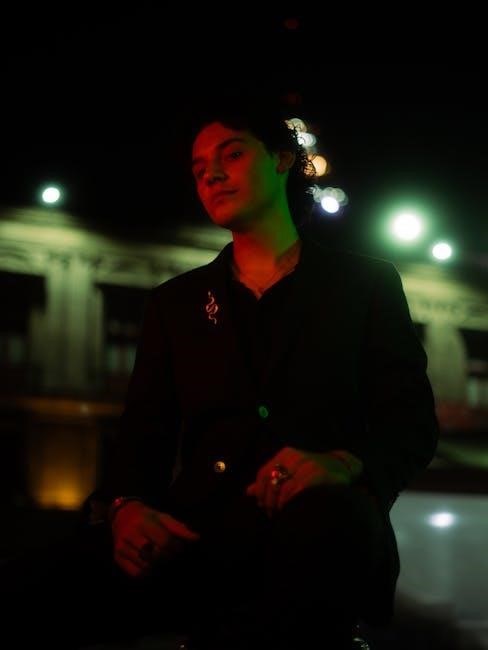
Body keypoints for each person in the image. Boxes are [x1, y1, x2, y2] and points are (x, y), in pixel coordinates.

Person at [2, 93, 439, 649]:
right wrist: (126, 508)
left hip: (323, 525)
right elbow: (143, 435)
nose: (211, 174)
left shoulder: (365, 285)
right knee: (31, 583)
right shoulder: (175, 302)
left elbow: (411, 422)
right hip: (198, 528)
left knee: (306, 561)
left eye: (231, 154)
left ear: (282, 159)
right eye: (198, 167)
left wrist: (343, 464)